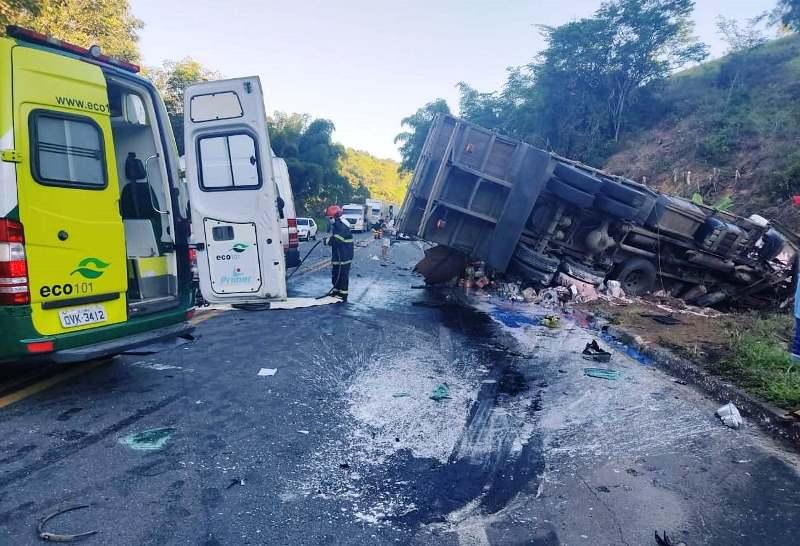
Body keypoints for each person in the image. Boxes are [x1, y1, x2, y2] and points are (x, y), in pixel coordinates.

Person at [323, 205, 354, 301]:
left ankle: (343, 294)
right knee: (336, 273)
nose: (329, 220)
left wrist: (327, 241)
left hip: (344, 255)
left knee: (343, 274)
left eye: (329, 218)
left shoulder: (341, 225)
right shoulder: (337, 225)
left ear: (334, 217)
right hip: (338, 254)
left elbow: (337, 239)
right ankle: (336, 290)